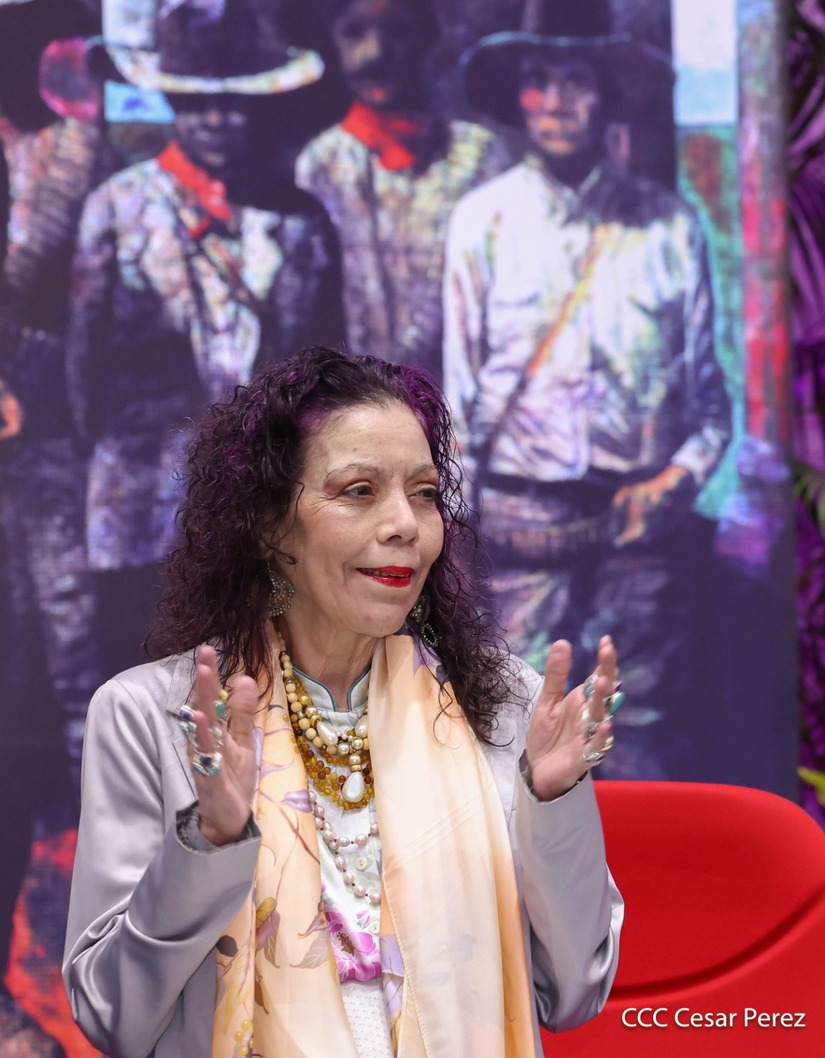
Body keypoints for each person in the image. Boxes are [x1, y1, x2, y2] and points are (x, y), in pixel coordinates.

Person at [63, 346, 623, 1058]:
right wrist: (209, 844)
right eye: (359, 490)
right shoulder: (153, 717)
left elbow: (573, 993)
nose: (405, 525)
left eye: (424, 493)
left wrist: (553, 801)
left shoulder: (496, 702)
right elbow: (113, 1017)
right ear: (270, 524)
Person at [443, 0, 732, 778]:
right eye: (538, 80)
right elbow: (458, 411)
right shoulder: (482, 223)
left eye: (577, 80)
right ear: (518, 97)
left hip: (644, 540)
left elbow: (710, 409)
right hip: (521, 536)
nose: (557, 100)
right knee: (518, 746)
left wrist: (675, 479)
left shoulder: (667, 227)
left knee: (645, 737)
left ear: (607, 93)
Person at [67, 0, 344, 677]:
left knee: (254, 680)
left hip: (260, 502)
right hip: (140, 501)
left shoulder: (299, 222)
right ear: (168, 100)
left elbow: (323, 365)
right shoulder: (117, 210)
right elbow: (83, 370)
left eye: (235, 104)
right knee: (141, 678)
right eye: (196, 103)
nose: (218, 120)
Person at [296, 0, 510, 383]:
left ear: (429, 39)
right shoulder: (322, 163)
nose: (375, 54)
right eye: (353, 33)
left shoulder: (478, 156)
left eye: (399, 32)